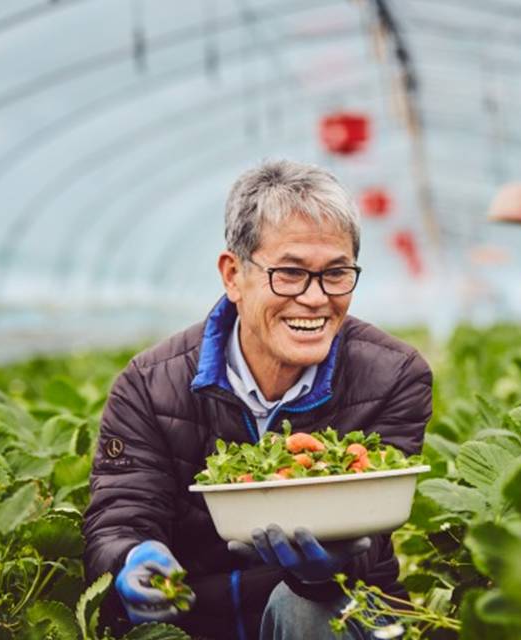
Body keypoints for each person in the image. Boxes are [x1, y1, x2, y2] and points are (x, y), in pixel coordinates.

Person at [83, 159, 433, 640]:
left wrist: (330, 566)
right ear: (233, 275)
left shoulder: (394, 376)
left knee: (305, 609)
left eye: (336, 273)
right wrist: (131, 556)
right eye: (289, 273)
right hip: (195, 619)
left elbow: (376, 529)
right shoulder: (149, 384)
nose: (315, 298)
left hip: (339, 614)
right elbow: (122, 511)